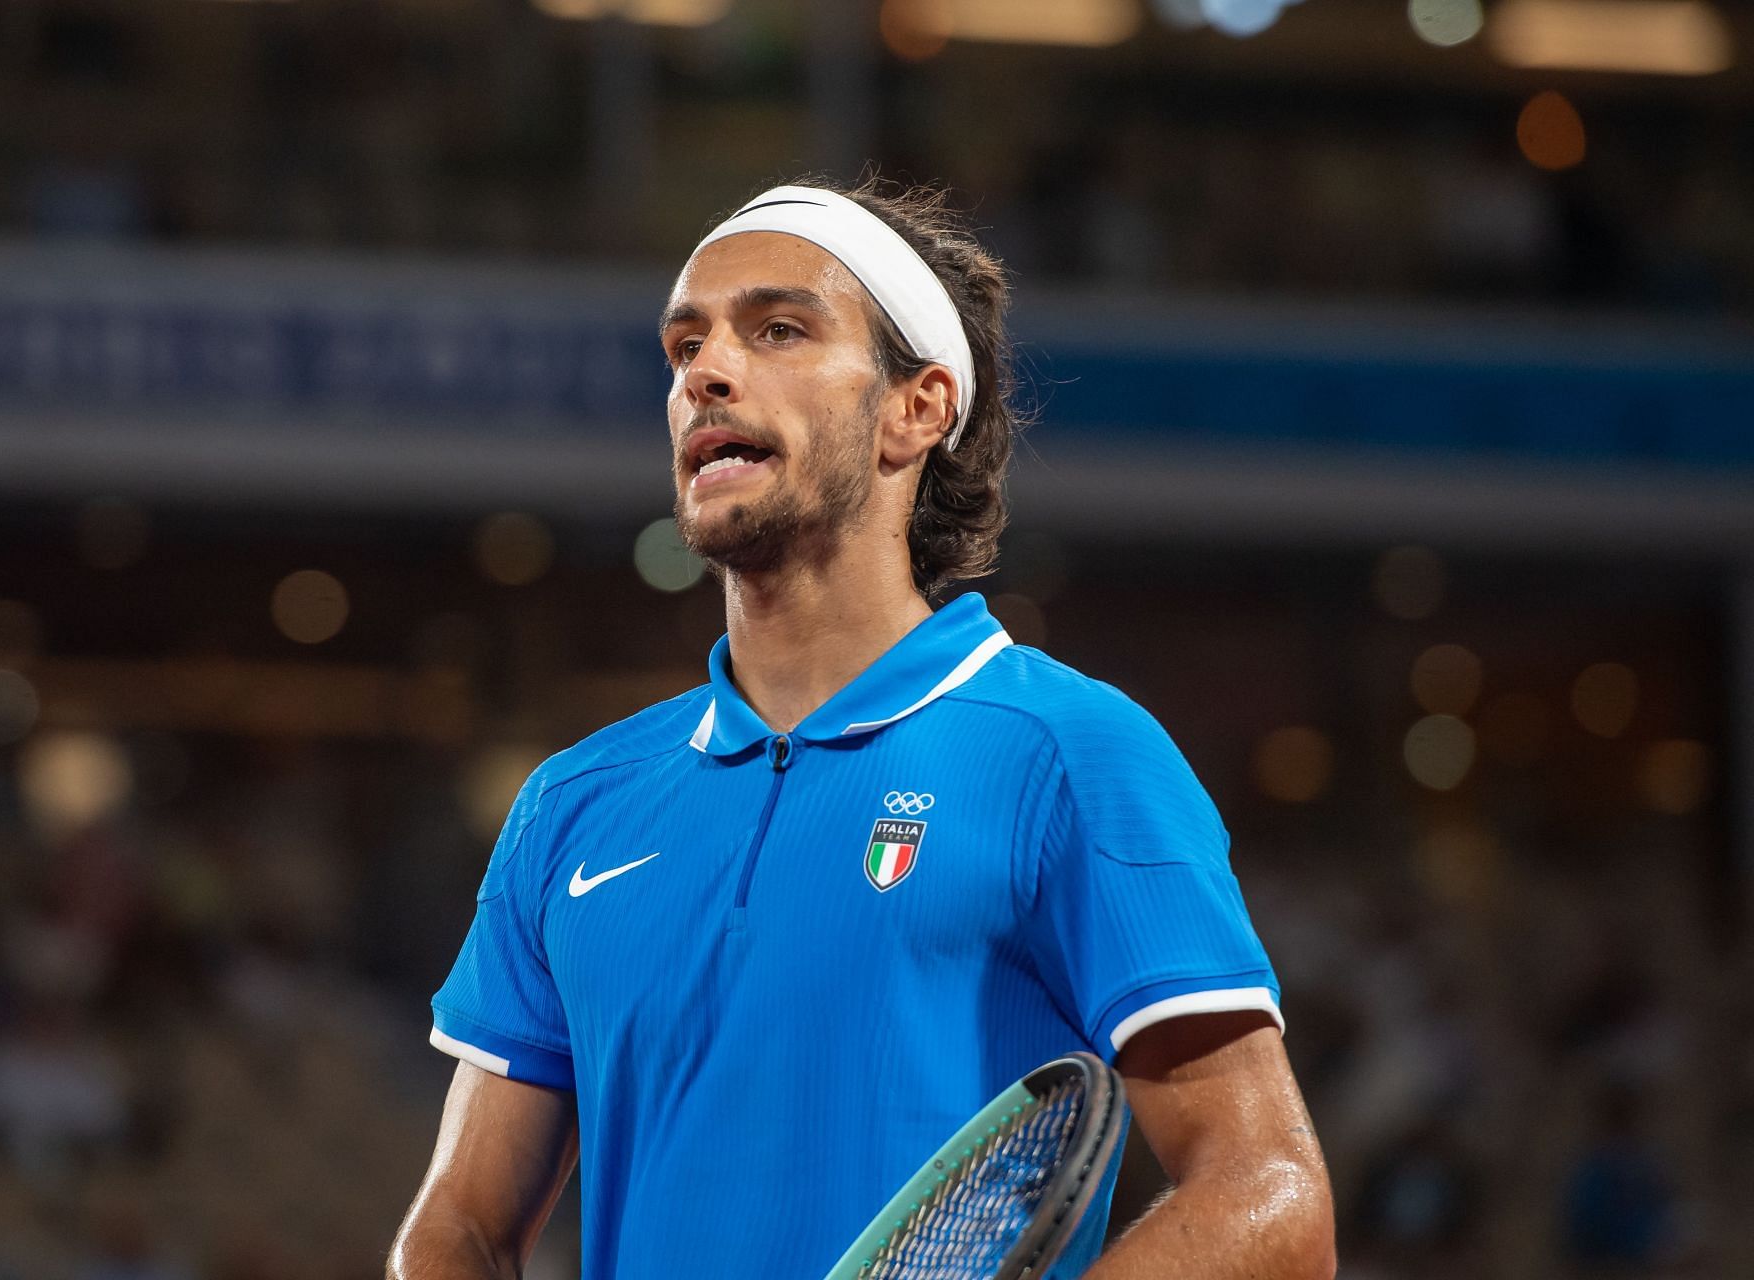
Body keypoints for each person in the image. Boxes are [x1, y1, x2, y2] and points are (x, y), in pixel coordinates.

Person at [387, 177, 1334, 1280]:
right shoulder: (571, 803)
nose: (706, 372)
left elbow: (1270, 1195)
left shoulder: (1071, 752)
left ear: (916, 409)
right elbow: (456, 1224)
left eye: (779, 329)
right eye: (685, 344)